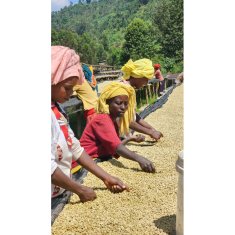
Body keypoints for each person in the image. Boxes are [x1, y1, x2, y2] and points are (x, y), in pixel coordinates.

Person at [51, 46, 129, 203]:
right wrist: (79, 189)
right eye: (67, 88)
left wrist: (106, 178)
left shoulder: (56, 109)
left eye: (73, 88)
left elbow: (74, 146)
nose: (71, 93)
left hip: (60, 191)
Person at [80, 81, 156, 173]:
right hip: (85, 163)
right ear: (107, 103)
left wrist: (130, 139)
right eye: (118, 103)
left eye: (126, 103)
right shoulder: (102, 119)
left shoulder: (113, 119)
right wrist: (140, 159)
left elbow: (114, 145)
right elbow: (117, 148)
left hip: (98, 159)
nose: (123, 107)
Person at [120, 59, 163, 141]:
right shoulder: (122, 90)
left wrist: (153, 130)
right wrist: (150, 132)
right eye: (146, 79)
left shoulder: (129, 89)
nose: (146, 83)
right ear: (138, 76)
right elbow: (126, 119)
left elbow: (133, 115)